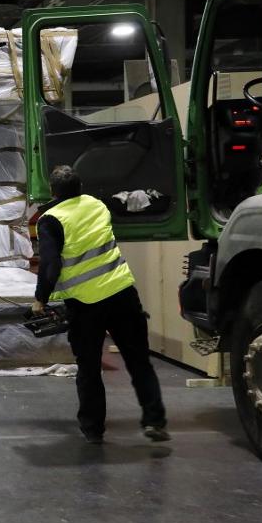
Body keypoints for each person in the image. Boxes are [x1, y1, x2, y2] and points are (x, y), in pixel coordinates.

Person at [32, 165, 169, 444]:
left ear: (52, 191)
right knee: (139, 361)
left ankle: (93, 429)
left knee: (89, 368)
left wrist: (40, 299)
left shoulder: (50, 220)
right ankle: (155, 420)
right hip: (122, 293)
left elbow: (50, 265)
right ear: (80, 187)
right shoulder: (97, 205)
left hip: (86, 304)